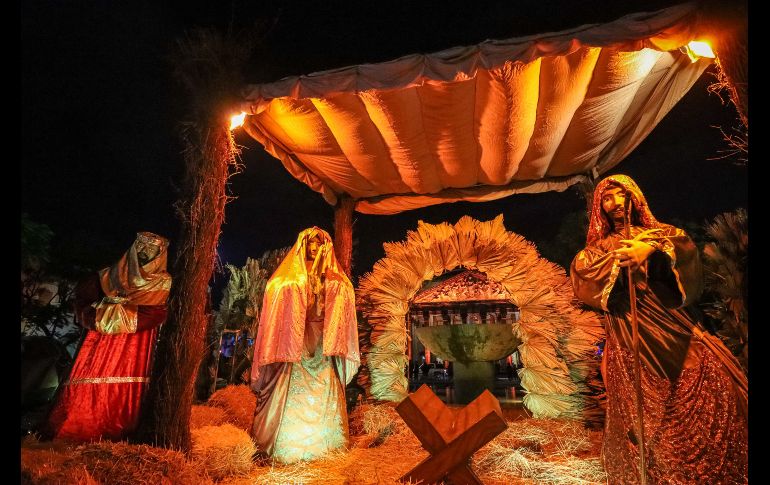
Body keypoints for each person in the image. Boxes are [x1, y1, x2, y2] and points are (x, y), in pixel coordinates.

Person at [570, 175, 747, 483]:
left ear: (634, 197)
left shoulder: (662, 234)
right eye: (607, 199)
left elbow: (684, 250)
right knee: (642, 414)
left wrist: (648, 248)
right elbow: (583, 273)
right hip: (631, 336)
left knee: (713, 382)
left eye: (620, 195)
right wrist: (616, 261)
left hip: (672, 329)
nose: (615, 204)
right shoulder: (596, 251)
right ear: (600, 208)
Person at [45, 232, 171, 441]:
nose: (144, 251)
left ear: (160, 254)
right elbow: (84, 299)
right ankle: (81, 423)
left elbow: (156, 313)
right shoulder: (109, 275)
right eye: (141, 246)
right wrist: (99, 315)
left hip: (135, 346)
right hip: (100, 343)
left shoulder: (162, 283)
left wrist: (111, 311)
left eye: (151, 248)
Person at [250, 227, 359, 464]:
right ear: (302, 245)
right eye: (310, 243)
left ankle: (326, 446)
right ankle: (284, 449)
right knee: (286, 384)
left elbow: (345, 295)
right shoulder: (287, 279)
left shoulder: (336, 280)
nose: (314, 247)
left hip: (322, 342)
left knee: (325, 384)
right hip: (295, 341)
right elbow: (275, 290)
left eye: (319, 244)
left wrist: (327, 286)